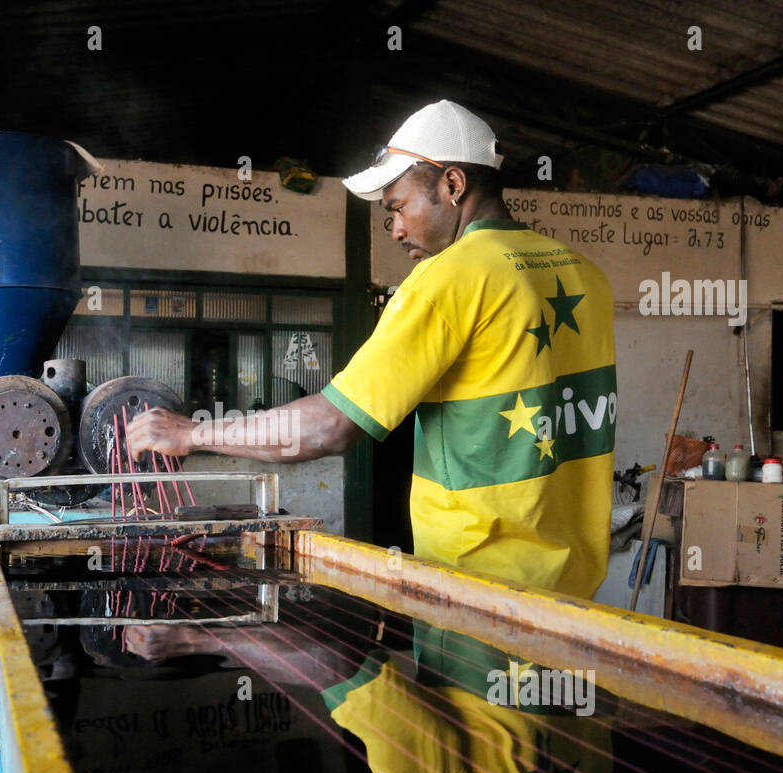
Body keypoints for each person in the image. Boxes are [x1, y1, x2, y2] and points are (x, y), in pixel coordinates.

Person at [126, 100, 617, 599]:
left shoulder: (448, 279)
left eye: (398, 207)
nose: (398, 230)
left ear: (452, 185)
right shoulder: (583, 274)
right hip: (575, 593)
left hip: (480, 591)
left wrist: (193, 433)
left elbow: (330, 428)